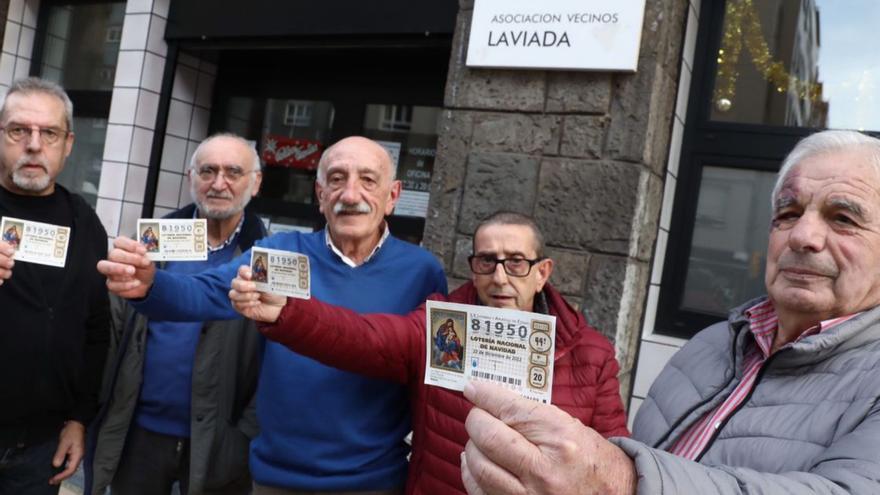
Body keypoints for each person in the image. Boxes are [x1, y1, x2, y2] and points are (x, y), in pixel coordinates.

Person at [459, 130, 880, 495]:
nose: (803, 236)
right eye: (787, 214)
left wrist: (625, 483)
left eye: (843, 218)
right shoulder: (710, 345)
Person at [97, 136, 447, 494]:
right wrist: (149, 284)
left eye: (368, 181)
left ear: (393, 196)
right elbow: (205, 292)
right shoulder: (280, 253)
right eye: (338, 179)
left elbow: (434, 380)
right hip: (277, 477)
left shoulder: (422, 272)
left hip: (374, 480)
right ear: (320, 194)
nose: (351, 194)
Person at [228, 211, 629, 495]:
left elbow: (615, 461)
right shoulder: (441, 326)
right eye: (487, 261)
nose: (501, 277)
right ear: (473, 268)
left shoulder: (590, 353)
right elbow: (369, 339)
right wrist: (288, 312)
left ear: (542, 272)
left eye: (517, 263)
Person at [87, 134, 266, 495]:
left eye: (233, 172)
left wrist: (244, 434)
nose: (218, 183)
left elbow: (277, 361)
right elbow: (114, 331)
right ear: (190, 177)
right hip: (139, 437)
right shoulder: (149, 245)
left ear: (256, 182)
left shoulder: (267, 259)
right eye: (208, 171)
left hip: (221, 442)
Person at [0, 77, 110, 494]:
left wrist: (79, 419)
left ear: (67, 144)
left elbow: (96, 330)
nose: (33, 144)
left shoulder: (85, 222)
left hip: (40, 444)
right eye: (18, 130)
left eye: (48, 133)